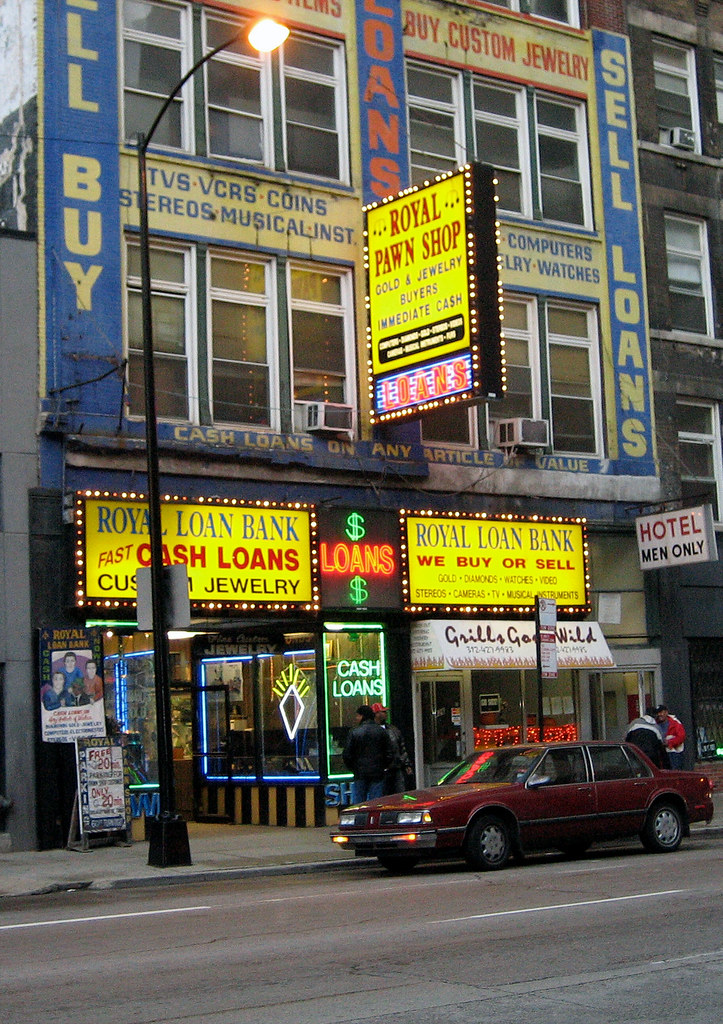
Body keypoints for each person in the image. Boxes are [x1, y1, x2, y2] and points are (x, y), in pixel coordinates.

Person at [343, 704, 394, 804]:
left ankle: (361, 815)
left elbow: (347, 754)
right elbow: (389, 752)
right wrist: (383, 766)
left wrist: (354, 768)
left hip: (360, 773)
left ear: (362, 716)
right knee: (375, 803)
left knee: (359, 803)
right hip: (377, 772)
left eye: (358, 715)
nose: (356, 718)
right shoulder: (381, 731)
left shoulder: (354, 732)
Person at [372, 702, 414, 794]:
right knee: (381, 794)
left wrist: (406, 764)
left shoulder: (393, 729)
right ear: (376, 714)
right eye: (383, 712)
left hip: (395, 767)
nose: (386, 714)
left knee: (399, 793)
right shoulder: (372, 730)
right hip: (380, 770)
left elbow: (401, 747)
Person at [654, 704, 686, 769]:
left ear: (666, 712)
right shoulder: (655, 724)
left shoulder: (675, 723)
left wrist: (669, 742)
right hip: (662, 754)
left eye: (661, 712)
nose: (659, 714)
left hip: (674, 754)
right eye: (658, 713)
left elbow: (681, 737)